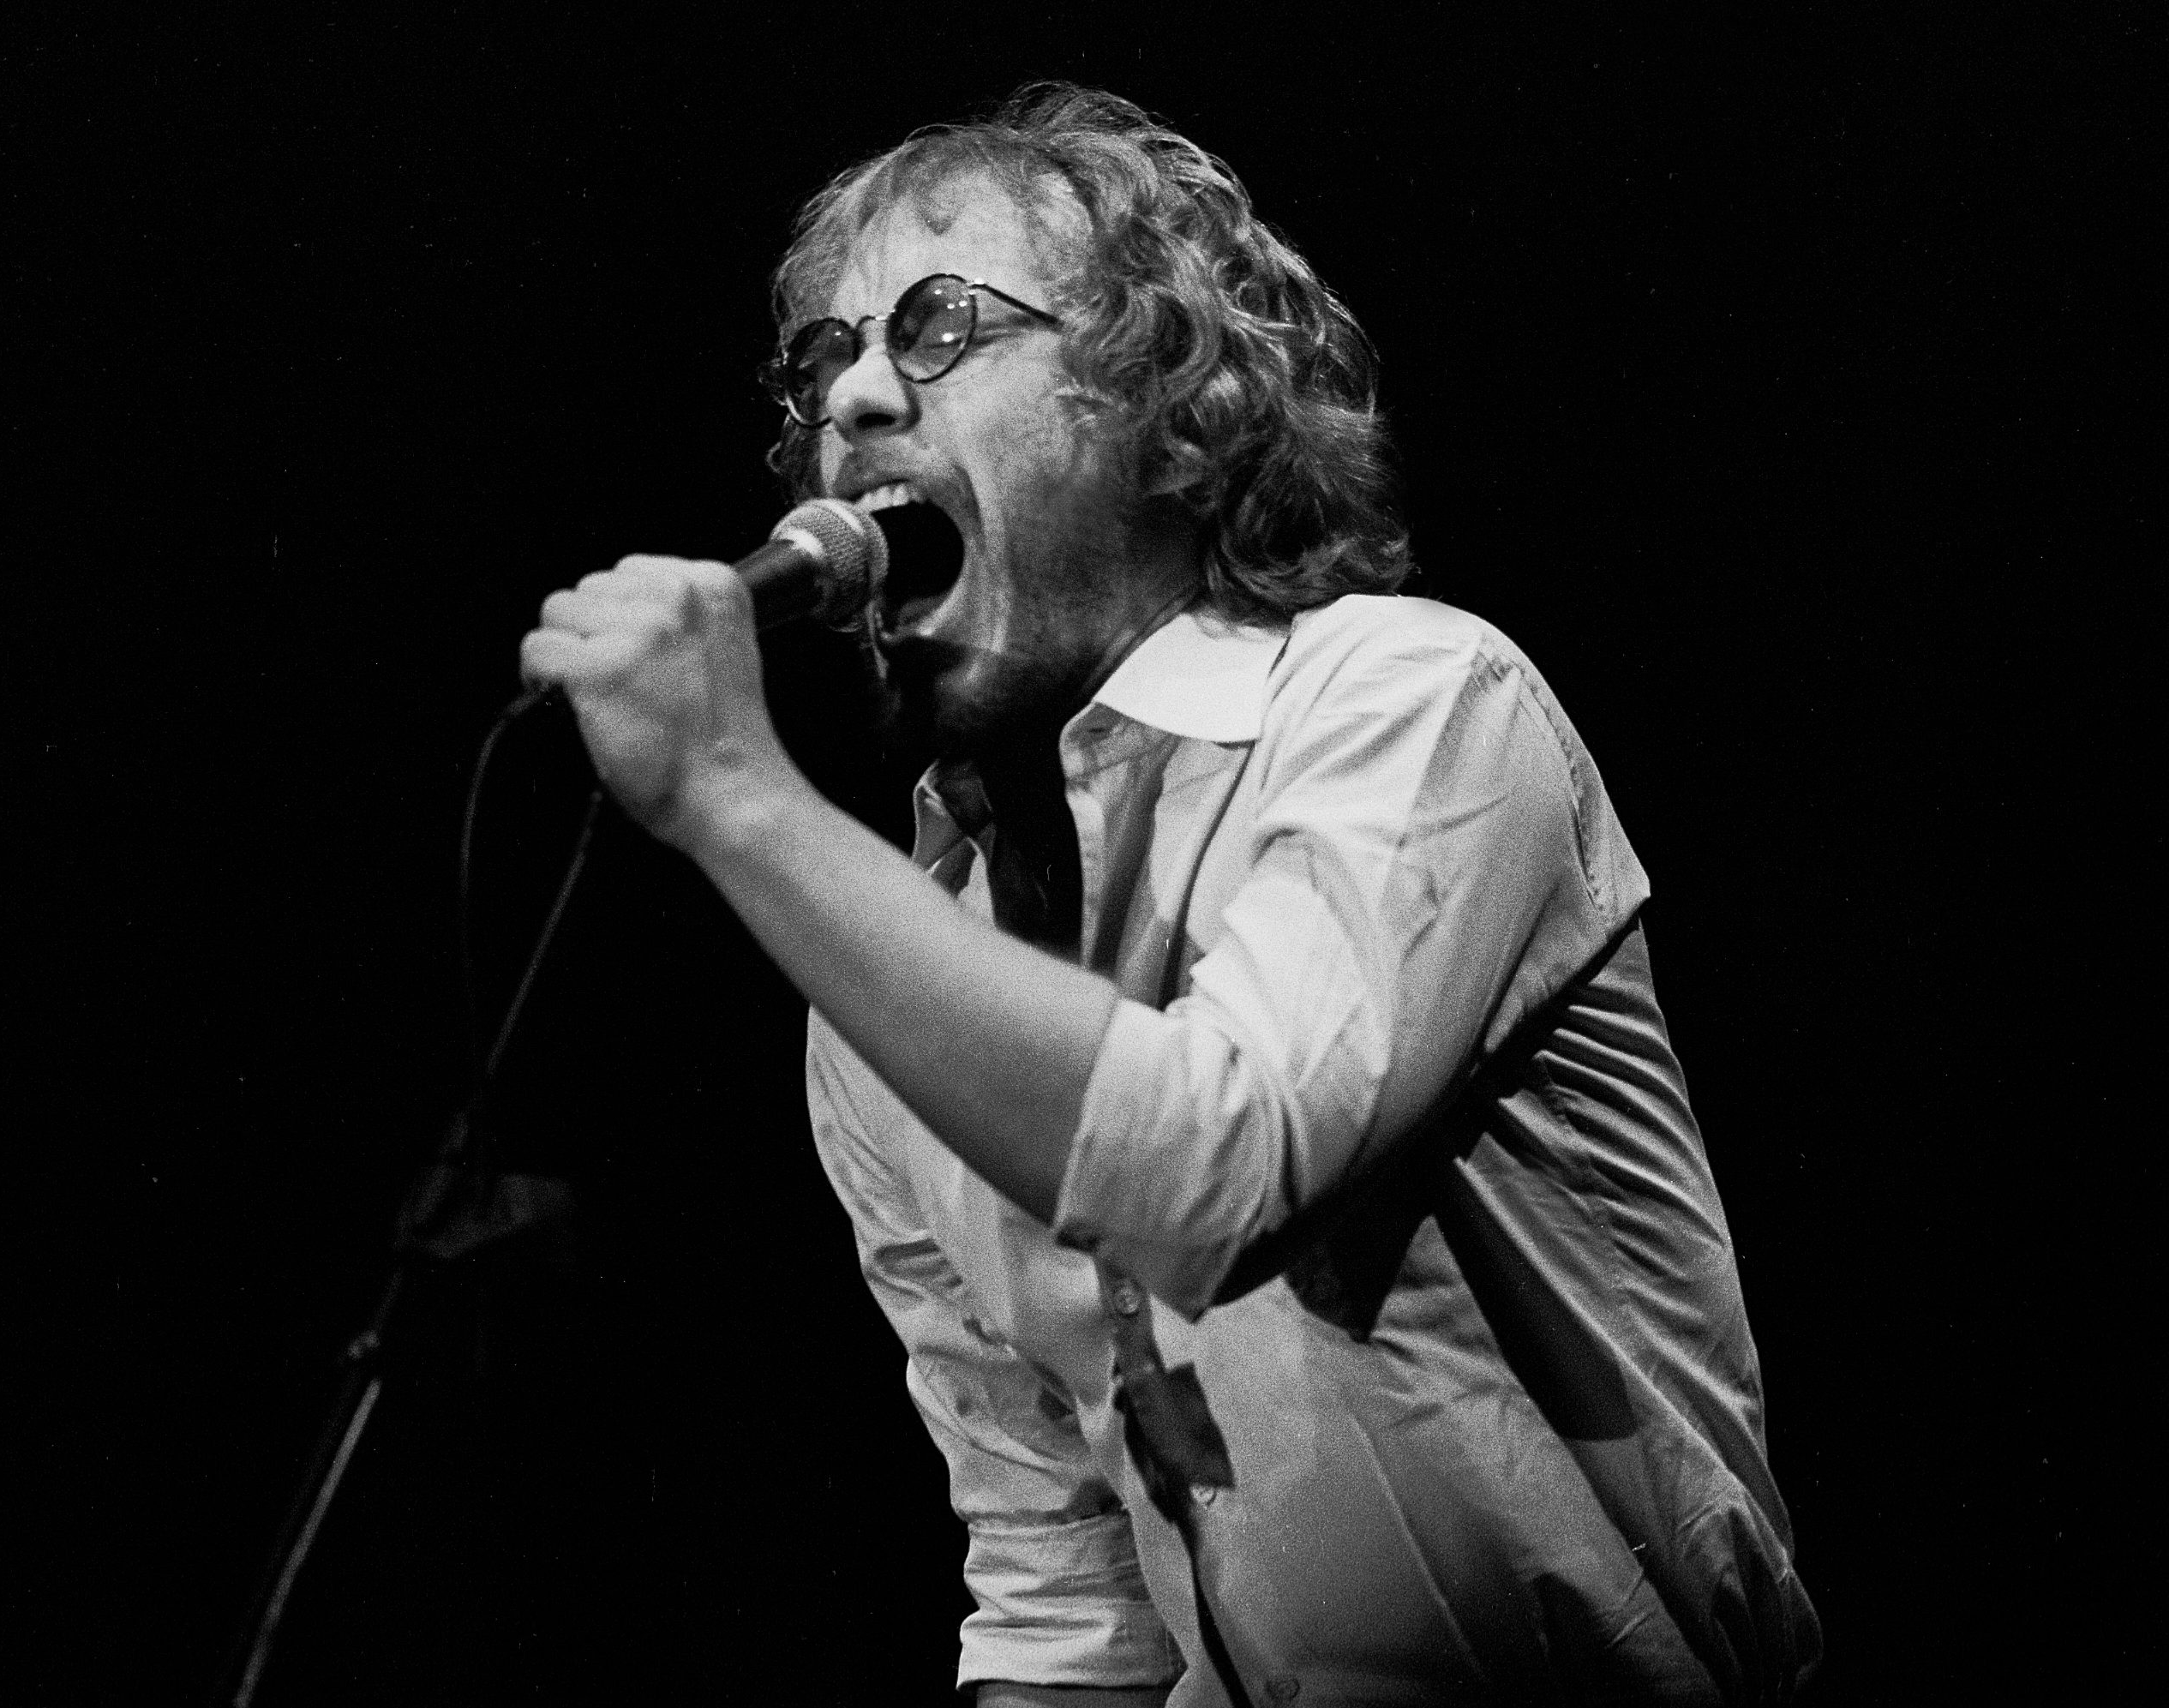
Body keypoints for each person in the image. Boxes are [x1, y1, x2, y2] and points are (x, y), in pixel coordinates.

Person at [520, 84, 1820, 1706]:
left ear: (1168, 410)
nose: (852, 395)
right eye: (818, 357)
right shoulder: (894, 975)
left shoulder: (1411, 702)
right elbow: (1056, 1571)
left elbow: (1212, 1163)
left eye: (937, 326)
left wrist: (730, 791)